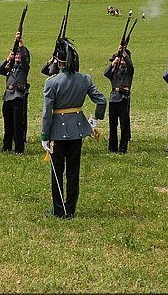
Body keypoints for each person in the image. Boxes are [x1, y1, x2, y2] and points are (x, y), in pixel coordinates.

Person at [41, 39, 107, 218]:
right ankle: (70, 210)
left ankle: (58, 210)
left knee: (57, 173)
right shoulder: (85, 79)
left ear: (58, 62)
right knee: (73, 172)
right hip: (77, 131)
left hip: (56, 132)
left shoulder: (51, 82)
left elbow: (47, 112)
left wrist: (44, 135)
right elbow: (101, 101)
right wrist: (95, 119)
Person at [0, 32, 30, 154]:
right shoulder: (10, 66)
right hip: (7, 96)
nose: (17, 56)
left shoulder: (24, 67)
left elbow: (25, 59)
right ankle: (7, 145)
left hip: (17, 96)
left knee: (17, 124)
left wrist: (20, 43)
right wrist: (7, 59)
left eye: (19, 55)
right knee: (8, 123)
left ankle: (19, 148)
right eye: (16, 54)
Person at [103, 47, 134, 154]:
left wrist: (123, 53)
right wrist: (113, 63)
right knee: (112, 125)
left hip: (123, 98)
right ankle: (112, 147)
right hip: (113, 99)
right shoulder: (115, 70)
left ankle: (123, 148)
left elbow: (130, 65)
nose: (122, 60)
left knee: (124, 125)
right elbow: (106, 73)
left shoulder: (128, 71)